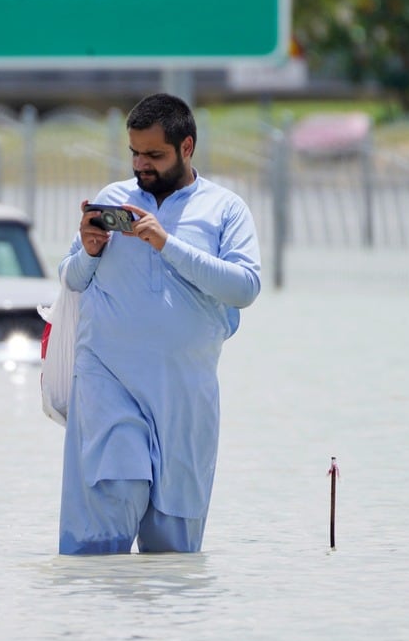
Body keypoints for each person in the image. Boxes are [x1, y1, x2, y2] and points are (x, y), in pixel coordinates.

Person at [58, 93, 261, 555]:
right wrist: (89, 249)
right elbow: (71, 278)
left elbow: (245, 288)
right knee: (115, 492)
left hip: (185, 389)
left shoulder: (225, 209)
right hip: (108, 377)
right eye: (134, 153)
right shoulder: (113, 199)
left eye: (153, 155)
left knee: (173, 550)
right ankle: (91, 605)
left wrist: (166, 243)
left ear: (186, 147)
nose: (140, 165)